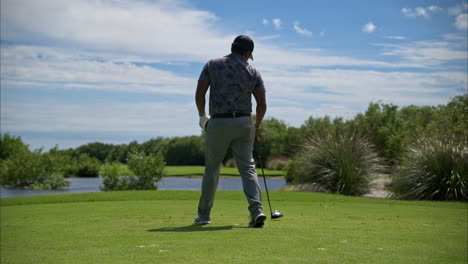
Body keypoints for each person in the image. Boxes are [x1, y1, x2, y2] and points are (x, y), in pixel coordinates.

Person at [194, 35, 267, 228]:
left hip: (218, 123)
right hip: (244, 123)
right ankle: (256, 211)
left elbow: (200, 93)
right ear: (248, 53)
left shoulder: (212, 64)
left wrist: (202, 117)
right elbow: (262, 105)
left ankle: (203, 216)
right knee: (248, 169)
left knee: (212, 169)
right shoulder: (253, 71)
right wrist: (257, 126)